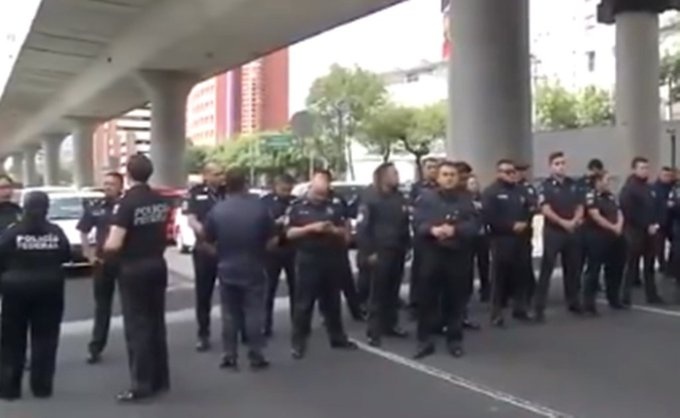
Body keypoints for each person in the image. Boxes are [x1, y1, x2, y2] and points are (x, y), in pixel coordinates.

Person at [104, 154, 171, 402]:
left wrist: (103, 255)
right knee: (156, 323)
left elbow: (114, 243)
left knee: (137, 326)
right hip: (158, 264)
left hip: (134, 268)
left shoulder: (127, 203)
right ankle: (160, 379)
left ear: (129, 174)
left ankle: (141, 383)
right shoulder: (160, 200)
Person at [0, 191, 70, 400]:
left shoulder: (13, 232)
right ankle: (42, 387)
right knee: (46, 339)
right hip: (50, 288)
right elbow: (66, 255)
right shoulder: (55, 232)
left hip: (15, 289)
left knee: (12, 341)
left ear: (24, 207)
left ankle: (9, 388)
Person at [203, 168, 275, 370]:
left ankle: (229, 354)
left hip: (227, 267)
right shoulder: (260, 208)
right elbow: (272, 240)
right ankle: (255, 354)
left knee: (229, 313)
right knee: (253, 312)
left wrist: (218, 256)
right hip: (254, 265)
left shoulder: (218, 210)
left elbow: (206, 241)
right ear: (245, 184)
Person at [286, 170, 358, 359]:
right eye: (318, 191)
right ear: (311, 186)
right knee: (304, 303)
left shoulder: (334, 206)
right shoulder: (297, 206)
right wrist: (309, 229)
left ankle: (337, 337)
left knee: (333, 301)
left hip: (331, 258)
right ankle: (298, 342)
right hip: (308, 259)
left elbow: (346, 232)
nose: (322, 195)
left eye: (324, 191)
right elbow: (289, 234)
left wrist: (334, 230)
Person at [412, 161, 479, 359]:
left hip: (457, 255)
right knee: (427, 300)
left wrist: (455, 230)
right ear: (438, 178)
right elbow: (417, 223)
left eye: (452, 174)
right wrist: (433, 230)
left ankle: (454, 339)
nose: (449, 178)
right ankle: (424, 340)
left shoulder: (467, 199)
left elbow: (475, 225)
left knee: (456, 300)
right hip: (432, 254)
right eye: (445, 174)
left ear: (458, 178)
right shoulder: (425, 198)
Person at [356, 162, 411, 347]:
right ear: (383, 176)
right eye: (394, 173)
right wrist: (368, 252)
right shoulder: (370, 196)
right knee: (377, 293)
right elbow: (363, 227)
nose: (397, 176)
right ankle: (374, 330)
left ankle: (390, 325)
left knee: (392, 291)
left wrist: (407, 245)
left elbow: (404, 223)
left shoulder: (399, 197)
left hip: (397, 249)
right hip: (379, 251)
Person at [77, 172, 123, 364]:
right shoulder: (95, 207)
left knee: (131, 306)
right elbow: (83, 230)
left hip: (124, 262)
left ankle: (136, 344)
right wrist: (88, 253)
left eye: (112, 184)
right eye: (105, 184)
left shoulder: (126, 206)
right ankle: (95, 347)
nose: (107, 187)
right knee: (102, 307)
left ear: (121, 186)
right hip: (102, 263)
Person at [533, 152, 584, 322]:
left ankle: (573, 301)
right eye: (556, 163)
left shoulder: (573, 184)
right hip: (554, 232)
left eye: (562, 163)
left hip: (572, 231)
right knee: (547, 269)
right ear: (550, 166)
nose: (560, 166)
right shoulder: (545, 186)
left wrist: (575, 221)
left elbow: (580, 206)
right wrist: (563, 222)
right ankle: (539, 307)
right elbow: (545, 209)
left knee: (573, 268)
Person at [482, 160, 533, 326]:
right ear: (499, 173)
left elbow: (530, 209)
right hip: (501, 239)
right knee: (499, 277)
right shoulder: (491, 192)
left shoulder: (521, 190)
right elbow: (489, 217)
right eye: (507, 172)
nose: (512, 175)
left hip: (522, 238)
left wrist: (525, 222)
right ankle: (496, 312)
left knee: (522, 274)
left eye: (513, 171)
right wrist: (511, 226)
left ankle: (521, 308)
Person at [183, 162, 225, 351]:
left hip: (227, 247)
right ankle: (203, 333)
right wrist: (204, 232)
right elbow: (191, 219)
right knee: (204, 294)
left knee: (231, 291)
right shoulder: (195, 193)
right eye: (216, 173)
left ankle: (234, 330)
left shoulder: (228, 191)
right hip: (204, 248)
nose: (221, 177)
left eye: (222, 173)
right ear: (206, 175)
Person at [619, 157, 664, 306]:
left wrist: (656, 223)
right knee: (631, 266)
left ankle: (652, 295)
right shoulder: (629, 189)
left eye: (647, 167)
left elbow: (657, 207)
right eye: (642, 168)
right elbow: (628, 211)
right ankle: (624, 296)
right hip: (635, 232)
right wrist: (646, 225)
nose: (645, 171)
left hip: (650, 233)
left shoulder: (650, 188)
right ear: (634, 169)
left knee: (649, 265)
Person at [583, 172, 626, 313]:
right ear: (598, 181)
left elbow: (619, 212)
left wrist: (619, 225)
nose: (609, 183)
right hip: (597, 237)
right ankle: (589, 303)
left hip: (614, 237)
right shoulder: (591, 196)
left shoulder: (611, 196)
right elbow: (595, 216)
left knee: (615, 269)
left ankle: (613, 298)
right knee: (594, 270)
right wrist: (612, 227)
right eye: (607, 180)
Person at [261, 174, 296, 337]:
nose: (287, 193)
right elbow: (260, 225)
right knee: (268, 289)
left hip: (292, 248)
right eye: (284, 189)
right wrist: (277, 223)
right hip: (272, 251)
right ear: (275, 187)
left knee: (297, 289)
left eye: (289, 189)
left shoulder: (296, 202)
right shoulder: (265, 202)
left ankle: (298, 323)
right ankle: (265, 324)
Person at [407, 157, 439, 316]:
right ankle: (415, 304)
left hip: (439, 236)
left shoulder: (441, 187)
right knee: (419, 270)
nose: (432, 170)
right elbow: (412, 209)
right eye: (429, 167)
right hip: (422, 234)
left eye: (435, 167)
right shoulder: (417, 188)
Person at [515, 163, 539, 306]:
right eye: (518, 171)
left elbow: (533, 206)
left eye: (522, 171)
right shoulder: (511, 188)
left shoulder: (527, 188)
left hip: (525, 228)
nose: (520, 174)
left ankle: (529, 290)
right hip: (510, 230)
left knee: (525, 261)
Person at [467, 174, 490, 302]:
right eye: (471, 183)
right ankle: (467, 289)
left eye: (475, 183)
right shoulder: (464, 199)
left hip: (482, 235)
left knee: (484, 263)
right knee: (468, 264)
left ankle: (485, 288)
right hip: (470, 236)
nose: (473, 186)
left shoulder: (484, 198)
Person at [653, 167, 675, 275]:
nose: (667, 178)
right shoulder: (654, 188)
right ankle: (662, 266)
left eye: (669, 176)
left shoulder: (673, 188)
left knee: (674, 246)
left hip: (671, 221)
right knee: (659, 246)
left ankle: (672, 266)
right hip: (659, 221)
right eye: (665, 175)